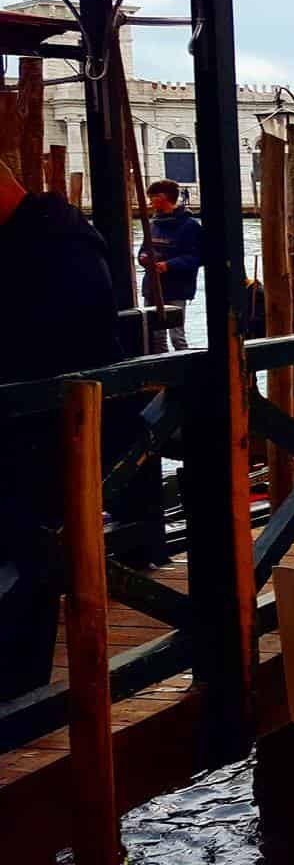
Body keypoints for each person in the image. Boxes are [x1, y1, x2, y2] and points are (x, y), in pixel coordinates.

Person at [0, 158, 122, 696]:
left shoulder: (57, 245)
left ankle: (20, 694)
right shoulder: (55, 238)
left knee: (27, 556)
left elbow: (66, 345)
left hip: (41, 437)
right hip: (37, 435)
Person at [139, 179, 203, 352]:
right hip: (153, 287)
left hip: (177, 288)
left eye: (152, 198)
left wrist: (168, 265)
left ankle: (184, 373)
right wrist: (144, 259)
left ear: (162, 198)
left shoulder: (189, 227)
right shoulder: (152, 225)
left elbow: (196, 257)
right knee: (156, 337)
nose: (150, 202)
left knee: (177, 335)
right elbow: (143, 251)